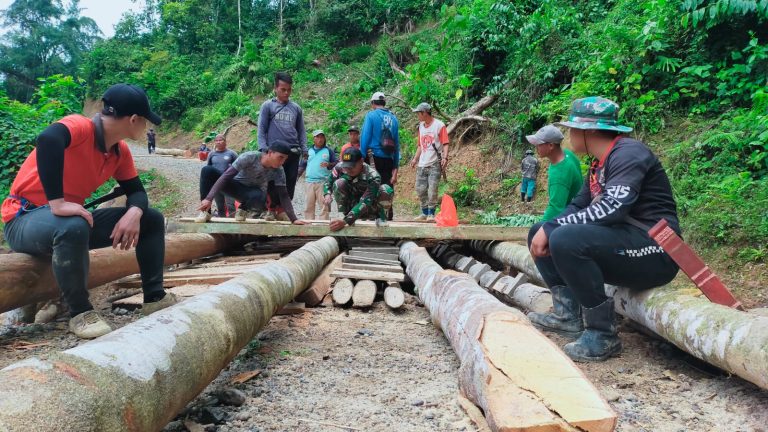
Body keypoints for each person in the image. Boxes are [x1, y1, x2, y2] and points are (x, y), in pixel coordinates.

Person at [2, 83, 177, 339]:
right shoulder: (79, 127)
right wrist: (57, 203)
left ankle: (154, 297)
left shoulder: (119, 151)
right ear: (133, 119)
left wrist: (134, 212)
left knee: (151, 218)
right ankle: (80, 313)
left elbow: (137, 192)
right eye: (146, 122)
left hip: (68, 223)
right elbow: (48, 139)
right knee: (72, 224)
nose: (147, 127)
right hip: (24, 220)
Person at [527, 96, 680, 362]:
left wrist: (555, 228)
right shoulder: (599, 165)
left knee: (564, 237)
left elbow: (612, 208)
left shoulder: (629, 154)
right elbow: (578, 205)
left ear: (590, 130)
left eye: (572, 128)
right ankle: (568, 316)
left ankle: (603, 335)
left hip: (657, 251)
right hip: (626, 243)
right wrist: (547, 227)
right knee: (539, 230)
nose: (569, 134)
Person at [196, 141, 306, 226]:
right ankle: (206, 212)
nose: (282, 162)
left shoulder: (279, 170)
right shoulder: (250, 157)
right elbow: (226, 176)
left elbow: (284, 195)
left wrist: (294, 219)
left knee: (259, 195)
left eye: (285, 159)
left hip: (253, 196)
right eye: (280, 157)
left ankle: (243, 209)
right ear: (270, 152)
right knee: (207, 170)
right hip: (235, 186)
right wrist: (209, 198)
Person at [257, 72, 307, 213]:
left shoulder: (296, 108)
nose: (286, 93)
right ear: (275, 88)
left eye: (289, 90)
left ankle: (282, 211)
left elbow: (301, 131)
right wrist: (263, 149)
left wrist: (304, 149)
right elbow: (261, 129)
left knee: (290, 182)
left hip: (292, 151)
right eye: (283, 89)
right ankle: (270, 210)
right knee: (273, 182)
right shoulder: (268, 106)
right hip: (275, 152)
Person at [323, 147, 393, 232]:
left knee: (386, 189)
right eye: (346, 167)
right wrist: (327, 194)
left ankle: (381, 219)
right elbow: (328, 182)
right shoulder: (340, 168)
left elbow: (365, 202)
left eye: (352, 166)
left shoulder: (373, 176)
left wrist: (346, 221)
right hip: (350, 206)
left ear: (361, 161)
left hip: (370, 208)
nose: (348, 170)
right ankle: (342, 215)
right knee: (339, 183)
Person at [526, 124, 583, 221]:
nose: (536, 148)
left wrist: (541, 227)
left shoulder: (559, 174)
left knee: (536, 230)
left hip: (572, 216)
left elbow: (556, 208)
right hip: (578, 207)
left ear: (551, 145)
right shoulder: (567, 154)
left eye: (539, 144)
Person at [360, 91, 399, 220]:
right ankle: (388, 216)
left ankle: (373, 216)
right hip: (389, 159)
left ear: (372, 104)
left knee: (372, 187)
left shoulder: (371, 116)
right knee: (387, 187)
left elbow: (365, 138)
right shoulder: (394, 118)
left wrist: (361, 156)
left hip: (373, 157)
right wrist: (395, 165)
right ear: (384, 103)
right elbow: (397, 144)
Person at [409, 102, 449, 222]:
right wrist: (415, 159)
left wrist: (445, 158)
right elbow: (420, 145)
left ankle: (431, 213)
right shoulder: (421, 126)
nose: (417, 116)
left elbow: (445, 143)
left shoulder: (439, 125)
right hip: (422, 163)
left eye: (418, 113)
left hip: (434, 163)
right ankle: (424, 212)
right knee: (420, 189)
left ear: (425, 113)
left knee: (432, 189)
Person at [299, 129, 336, 220]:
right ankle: (309, 225)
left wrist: (329, 165)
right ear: (314, 139)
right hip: (309, 182)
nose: (320, 139)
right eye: (317, 137)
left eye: (322, 137)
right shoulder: (308, 151)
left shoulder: (329, 151)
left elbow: (336, 163)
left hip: (323, 182)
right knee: (308, 206)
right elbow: (302, 165)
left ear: (324, 138)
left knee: (324, 205)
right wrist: (296, 177)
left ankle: (323, 226)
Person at [204, 134, 238, 217]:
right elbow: (208, 168)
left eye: (220, 140)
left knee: (231, 205)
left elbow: (239, 167)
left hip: (229, 183)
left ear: (225, 142)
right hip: (216, 183)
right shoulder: (211, 154)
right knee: (220, 206)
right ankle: (222, 224)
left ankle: (233, 224)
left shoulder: (232, 153)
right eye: (216, 140)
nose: (218, 142)